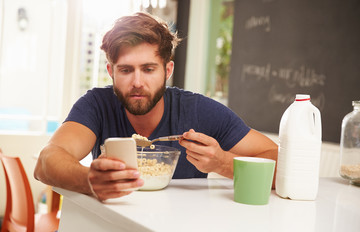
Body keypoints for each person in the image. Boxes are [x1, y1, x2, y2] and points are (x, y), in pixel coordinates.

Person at [34, 12, 278, 201]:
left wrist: (222, 163)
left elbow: (278, 162)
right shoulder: (97, 105)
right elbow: (46, 162)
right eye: (126, 70)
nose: (137, 82)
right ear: (111, 71)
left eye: (149, 69)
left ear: (167, 70)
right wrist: (89, 179)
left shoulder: (198, 111)